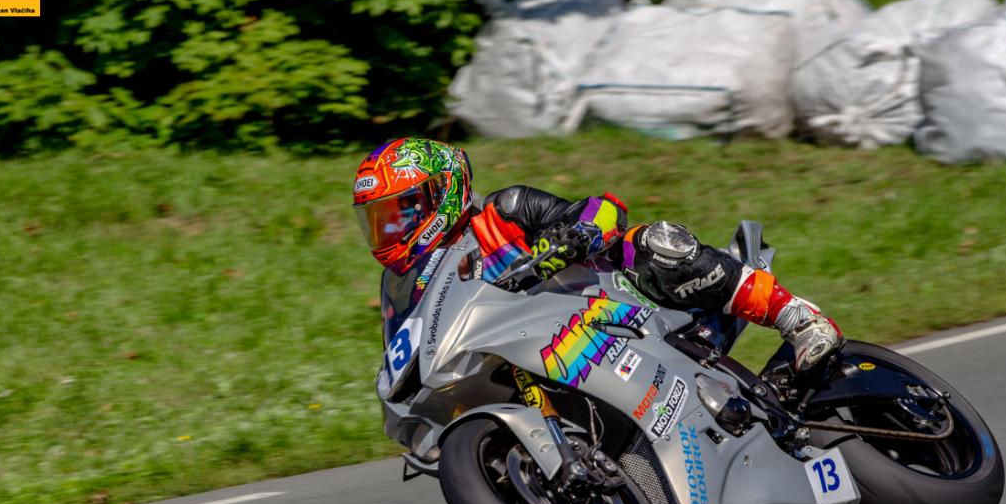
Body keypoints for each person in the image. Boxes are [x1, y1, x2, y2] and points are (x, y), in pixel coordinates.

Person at [353, 137, 842, 373]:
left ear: (441, 192)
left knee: (652, 243)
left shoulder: (506, 209)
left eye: (398, 212)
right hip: (529, 355)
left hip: (609, 309)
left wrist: (572, 236)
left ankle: (798, 318)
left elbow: (604, 210)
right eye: (378, 220)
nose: (389, 229)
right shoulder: (408, 284)